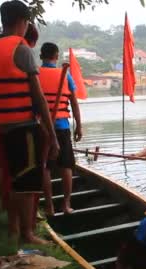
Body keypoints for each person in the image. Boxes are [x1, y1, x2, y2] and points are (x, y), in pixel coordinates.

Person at [0, 0, 59, 244]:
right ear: (23, 21)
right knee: (27, 184)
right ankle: (27, 233)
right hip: (22, 127)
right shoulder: (21, 49)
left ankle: (13, 228)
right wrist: (52, 136)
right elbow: (38, 96)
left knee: (10, 178)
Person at [39, 42, 83, 215]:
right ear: (56, 56)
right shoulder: (65, 75)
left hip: (41, 127)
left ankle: (49, 206)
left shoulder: (35, 74)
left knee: (45, 166)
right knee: (66, 166)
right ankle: (66, 204)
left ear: (41, 56)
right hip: (62, 126)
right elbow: (74, 102)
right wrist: (79, 126)